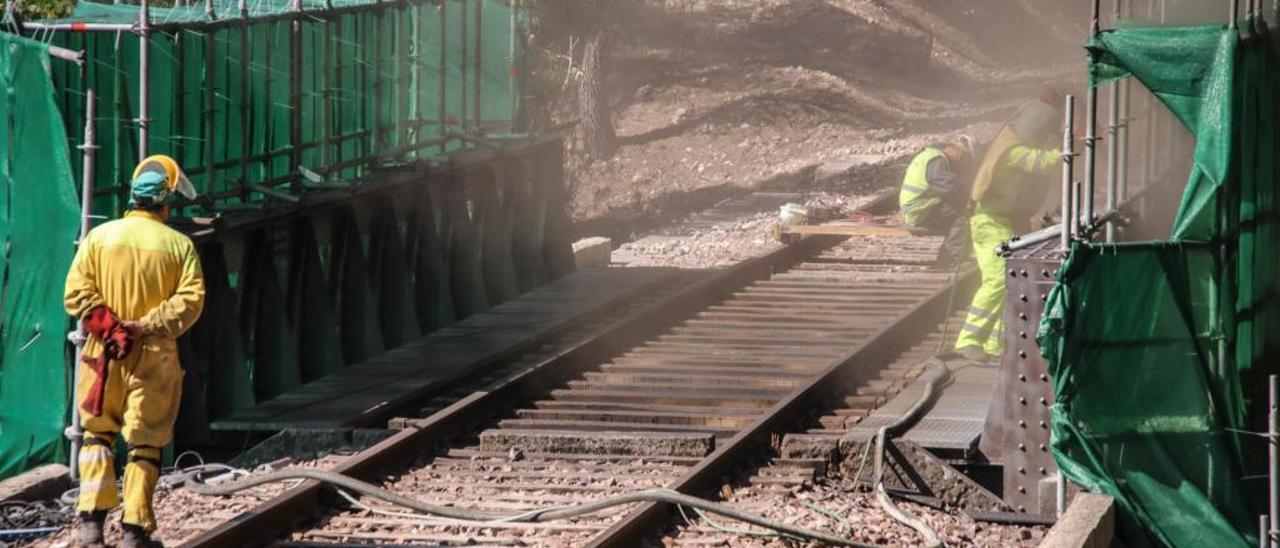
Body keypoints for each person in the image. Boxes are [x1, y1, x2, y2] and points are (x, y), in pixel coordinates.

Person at [66, 155, 205, 547]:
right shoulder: (179, 246)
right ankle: (134, 530)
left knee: (96, 435)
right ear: (164, 204)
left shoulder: (98, 238)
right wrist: (143, 325)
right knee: (144, 442)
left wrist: (110, 328)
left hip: (104, 353)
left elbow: (75, 294)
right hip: (155, 354)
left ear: (131, 199)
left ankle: (90, 523)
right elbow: (190, 302)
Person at [955, 91, 1064, 362]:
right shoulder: (1012, 150)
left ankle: (993, 345)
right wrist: (1067, 152)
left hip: (1003, 220)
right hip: (989, 222)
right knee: (996, 278)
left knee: (1009, 280)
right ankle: (968, 340)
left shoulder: (1008, 141)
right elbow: (1037, 161)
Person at [898, 135, 978, 266]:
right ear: (956, 151)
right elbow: (949, 189)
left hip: (918, 208)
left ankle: (958, 254)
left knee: (959, 211)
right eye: (965, 158)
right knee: (964, 213)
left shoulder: (929, 156)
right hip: (919, 210)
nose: (964, 163)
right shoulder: (937, 161)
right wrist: (972, 199)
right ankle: (950, 259)